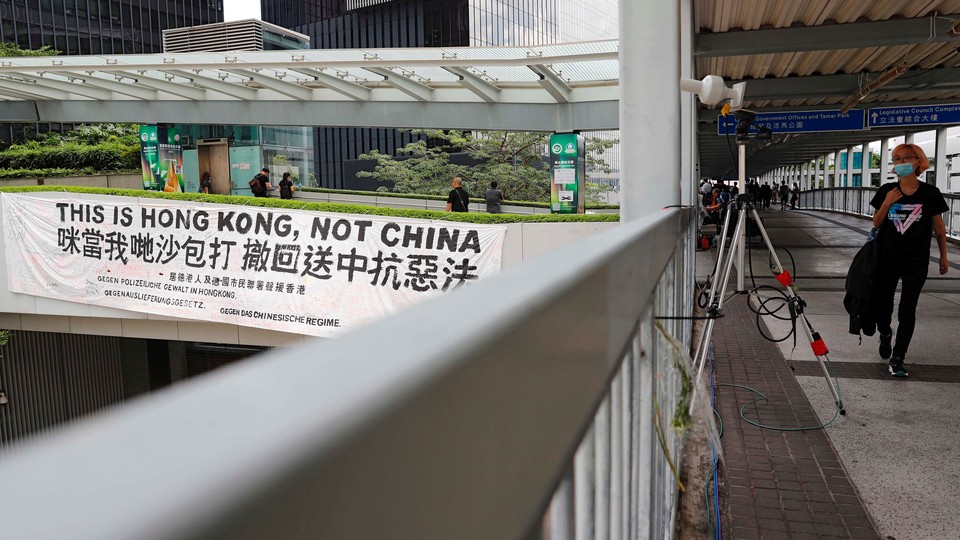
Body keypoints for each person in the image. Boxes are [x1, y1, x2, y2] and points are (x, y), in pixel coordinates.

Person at [870, 143, 949, 377]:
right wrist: (887, 203)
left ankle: (898, 357)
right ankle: (885, 333)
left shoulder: (930, 194)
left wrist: (943, 256)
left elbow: (939, 228)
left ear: (918, 161)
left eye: (906, 158)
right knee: (883, 306)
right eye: (896, 159)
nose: (901, 163)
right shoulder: (886, 190)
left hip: (916, 260)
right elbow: (876, 222)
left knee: (908, 309)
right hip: (887, 258)